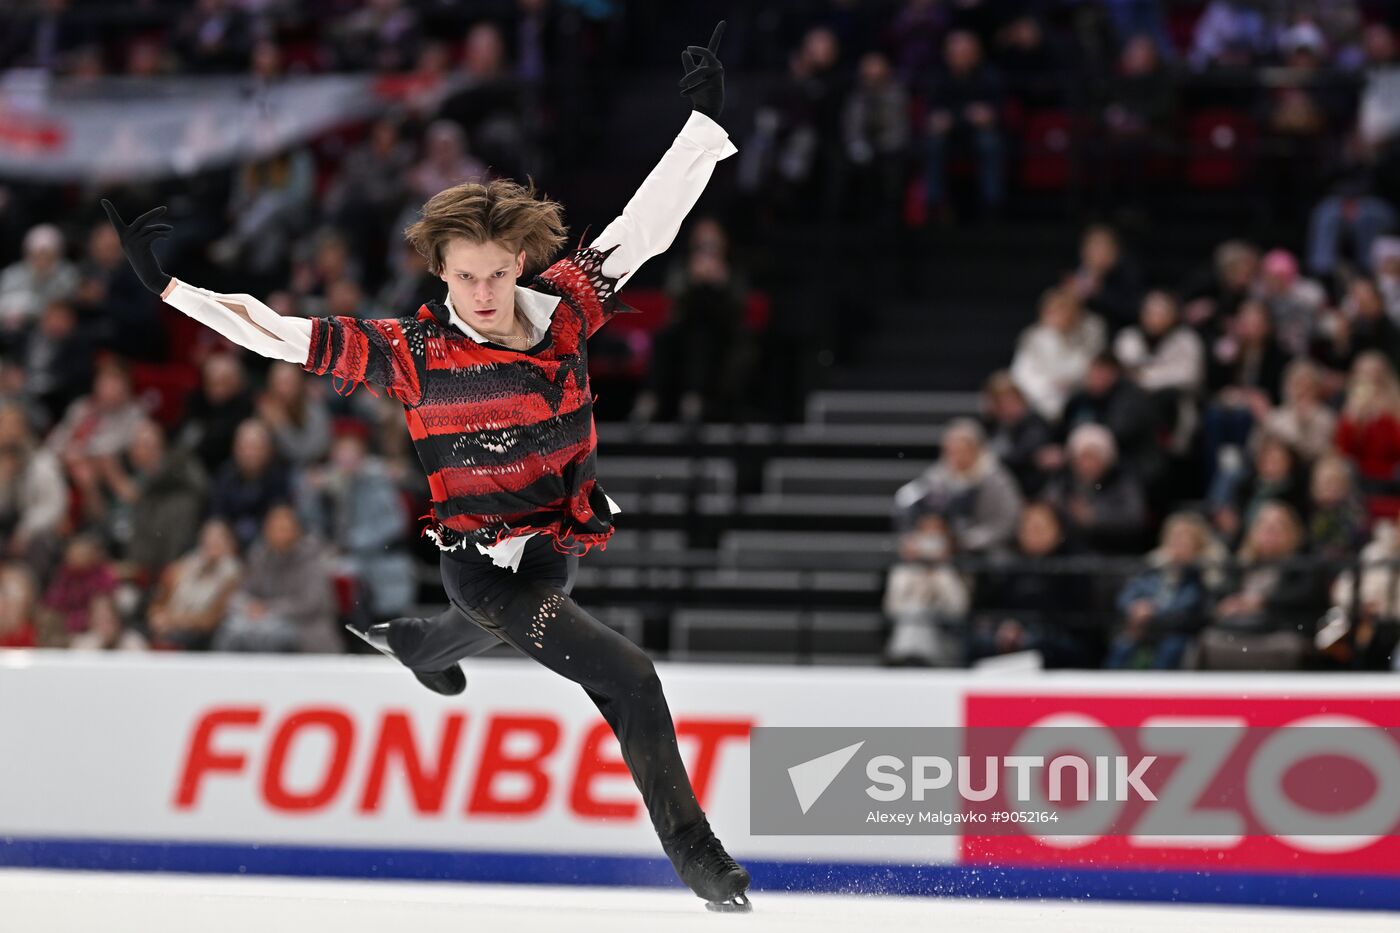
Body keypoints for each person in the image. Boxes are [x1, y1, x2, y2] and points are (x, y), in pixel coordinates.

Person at [101, 21, 751, 913]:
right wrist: (175, 292)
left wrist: (700, 130)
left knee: (500, 630)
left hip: (552, 539)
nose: (479, 295)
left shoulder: (564, 310)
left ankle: (412, 643)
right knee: (627, 677)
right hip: (478, 562)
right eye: (462, 279)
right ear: (440, 274)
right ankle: (699, 857)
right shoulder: (410, 352)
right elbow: (279, 333)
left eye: (492, 274)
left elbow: (646, 228)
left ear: (517, 262)